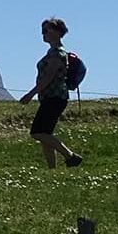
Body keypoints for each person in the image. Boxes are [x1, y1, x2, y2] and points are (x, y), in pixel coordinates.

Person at [19, 17, 83, 168]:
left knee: (37, 132)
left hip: (55, 97)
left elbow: (49, 77)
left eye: (47, 30)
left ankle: (70, 156)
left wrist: (31, 93)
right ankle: (52, 169)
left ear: (57, 32)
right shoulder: (53, 53)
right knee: (45, 134)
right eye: (43, 31)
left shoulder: (57, 54)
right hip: (51, 97)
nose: (44, 34)